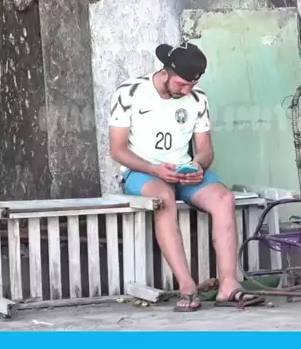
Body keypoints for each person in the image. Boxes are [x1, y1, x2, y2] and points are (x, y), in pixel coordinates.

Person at [108, 42, 264, 312]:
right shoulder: (129, 92)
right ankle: (187, 286)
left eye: (192, 84)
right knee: (163, 198)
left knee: (224, 199)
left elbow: (206, 150)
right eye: (182, 84)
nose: (187, 90)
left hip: (183, 172)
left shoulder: (198, 98)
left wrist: (198, 166)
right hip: (142, 172)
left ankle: (228, 285)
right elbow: (117, 150)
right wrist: (154, 169)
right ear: (165, 73)